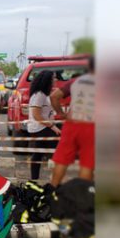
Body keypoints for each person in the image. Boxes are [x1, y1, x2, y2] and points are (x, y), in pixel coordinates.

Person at [50, 57, 95, 186]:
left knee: (62, 160)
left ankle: (52, 192)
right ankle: (82, 196)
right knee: (87, 163)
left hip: (72, 123)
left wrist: (61, 114)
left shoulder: (76, 81)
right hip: (92, 125)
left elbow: (54, 97)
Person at [27, 70, 61, 180]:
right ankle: (55, 181)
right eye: (54, 78)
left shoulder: (43, 95)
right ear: (48, 80)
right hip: (40, 128)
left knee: (38, 154)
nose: (56, 80)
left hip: (42, 127)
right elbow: (36, 115)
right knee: (57, 153)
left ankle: (35, 180)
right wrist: (53, 127)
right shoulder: (39, 95)